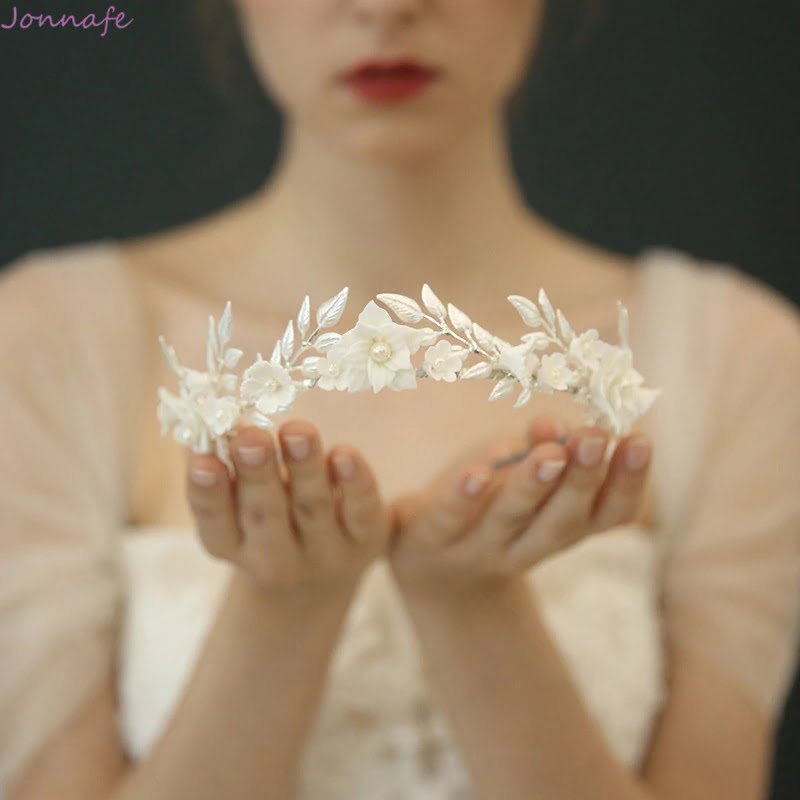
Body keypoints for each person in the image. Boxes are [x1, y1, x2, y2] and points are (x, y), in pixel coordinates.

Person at [1, 1, 799, 798]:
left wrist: (472, 606)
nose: (385, 9)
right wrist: (286, 603)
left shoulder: (734, 357)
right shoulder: (47, 339)